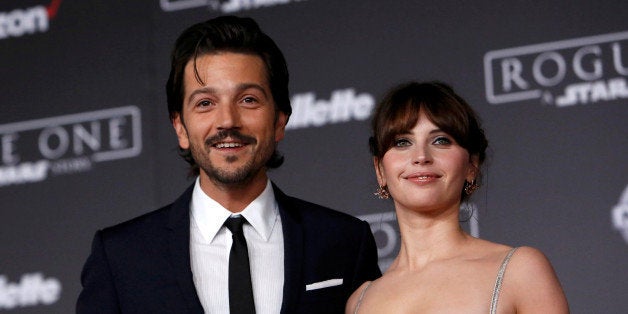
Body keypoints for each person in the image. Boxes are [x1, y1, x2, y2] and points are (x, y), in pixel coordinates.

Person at [77, 16, 381, 314]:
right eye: (205, 103)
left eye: (248, 100)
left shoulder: (344, 242)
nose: (227, 121)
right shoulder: (120, 257)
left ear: (279, 121)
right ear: (180, 127)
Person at [346, 81, 569, 313]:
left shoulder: (519, 270)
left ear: (472, 165)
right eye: (402, 142)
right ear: (380, 170)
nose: (421, 156)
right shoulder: (360, 302)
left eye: (441, 140)